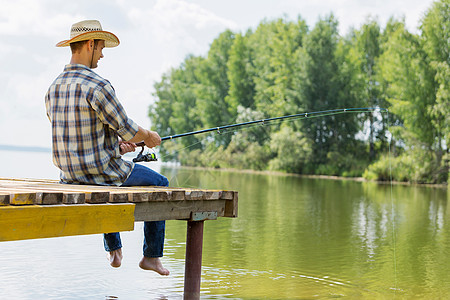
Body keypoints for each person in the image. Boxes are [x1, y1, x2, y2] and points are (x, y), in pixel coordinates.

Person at [45, 20, 169, 276]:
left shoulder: (53, 88)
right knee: (160, 183)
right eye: (101, 48)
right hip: (102, 173)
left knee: (104, 183)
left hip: (68, 177)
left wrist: (117, 147)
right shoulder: (98, 86)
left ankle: (113, 248)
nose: (102, 55)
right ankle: (151, 256)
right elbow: (128, 128)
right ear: (90, 44)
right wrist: (148, 136)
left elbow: (78, 135)